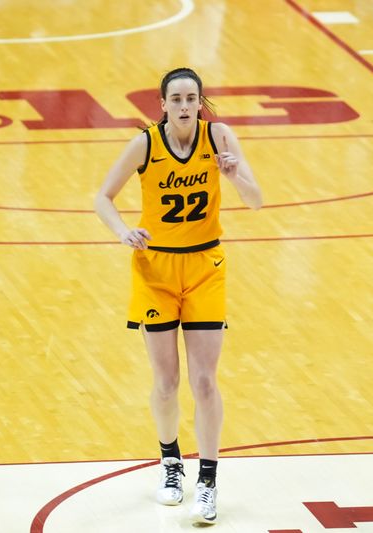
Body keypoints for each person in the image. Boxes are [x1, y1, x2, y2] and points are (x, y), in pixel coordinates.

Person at [94, 67, 262, 525]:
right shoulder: (146, 143)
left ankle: (207, 481)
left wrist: (234, 177)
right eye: (177, 99)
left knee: (205, 381)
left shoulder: (220, 137)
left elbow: (257, 200)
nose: (185, 106)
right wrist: (123, 232)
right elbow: (103, 197)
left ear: (200, 102)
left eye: (192, 98)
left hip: (206, 266)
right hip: (156, 269)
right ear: (163, 103)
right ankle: (171, 462)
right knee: (166, 382)